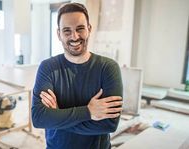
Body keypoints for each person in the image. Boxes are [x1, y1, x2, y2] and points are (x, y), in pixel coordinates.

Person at [32, 2, 123, 149]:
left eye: (80, 28)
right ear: (59, 34)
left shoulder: (108, 68)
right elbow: (39, 119)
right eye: (67, 31)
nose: (74, 37)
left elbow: (109, 124)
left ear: (89, 29)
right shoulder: (48, 68)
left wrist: (58, 116)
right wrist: (88, 112)